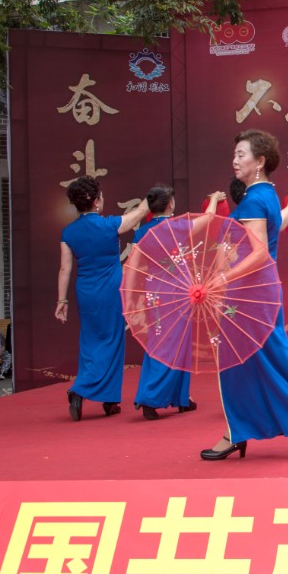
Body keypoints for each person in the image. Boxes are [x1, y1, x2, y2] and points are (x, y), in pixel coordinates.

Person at [203, 129, 288, 459]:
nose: (235, 160)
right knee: (255, 364)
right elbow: (276, 228)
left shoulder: (254, 200)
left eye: (241, 155)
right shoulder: (265, 195)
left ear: (260, 161)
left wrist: (220, 278)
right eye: (235, 154)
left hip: (248, 297)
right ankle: (239, 430)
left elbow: (258, 254)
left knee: (256, 364)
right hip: (258, 294)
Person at [56, 177, 150, 420]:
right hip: (110, 290)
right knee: (112, 341)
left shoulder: (69, 232)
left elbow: (65, 269)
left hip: (85, 292)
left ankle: (100, 395)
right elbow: (139, 214)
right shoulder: (109, 224)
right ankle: (90, 393)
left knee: (90, 341)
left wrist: (61, 301)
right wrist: (152, 196)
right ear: (97, 201)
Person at [131, 184, 197, 419]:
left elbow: (134, 267)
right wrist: (213, 202)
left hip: (154, 291)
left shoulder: (142, 233)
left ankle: (180, 397)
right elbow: (207, 221)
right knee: (177, 344)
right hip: (178, 291)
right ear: (170, 204)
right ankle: (151, 396)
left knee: (158, 342)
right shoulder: (179, 226)